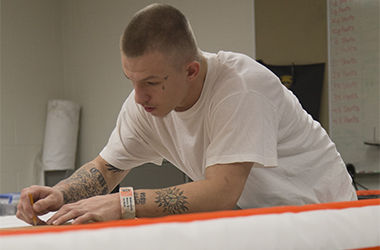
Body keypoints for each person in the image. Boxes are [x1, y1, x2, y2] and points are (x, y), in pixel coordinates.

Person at [16, 3, 357, 225]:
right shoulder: (145, 103)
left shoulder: (241, 89)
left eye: (151, 82)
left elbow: (222, 192)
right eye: (131, 80)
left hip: (331, 218)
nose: (139, 96)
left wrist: (124, 204)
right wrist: (60, 193)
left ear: (191, 71)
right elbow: (107, 169)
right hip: (265, 219)